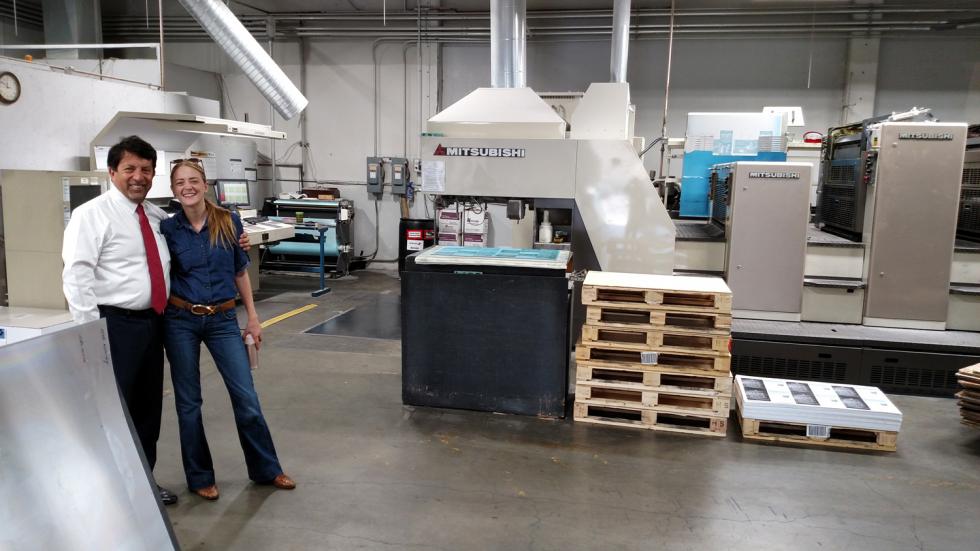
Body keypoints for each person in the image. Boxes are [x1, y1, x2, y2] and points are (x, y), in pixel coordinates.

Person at [161, 159, 295, 500]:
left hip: (222, 319)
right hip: (180, 321)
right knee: (189, 403)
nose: (187, 187)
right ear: (173, 190)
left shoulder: (228, 221)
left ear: (205, 184)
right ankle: (200, 476)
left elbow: (240, 272)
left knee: (246, 397)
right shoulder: (168, 228)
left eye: (193, 180)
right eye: (180, 182)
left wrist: (252, 317)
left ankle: (267, 469)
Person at [62, 135, 178, 505]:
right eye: (129, 168)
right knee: (112, 409)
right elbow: (76, 276)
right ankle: (111, 489)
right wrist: (89, 334)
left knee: (147, 410)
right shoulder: (91, 215)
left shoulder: (155, 216)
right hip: (114, 326)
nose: (138, 176)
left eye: (146, 170)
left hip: (152, 323)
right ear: (112, 172)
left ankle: (143, 483)